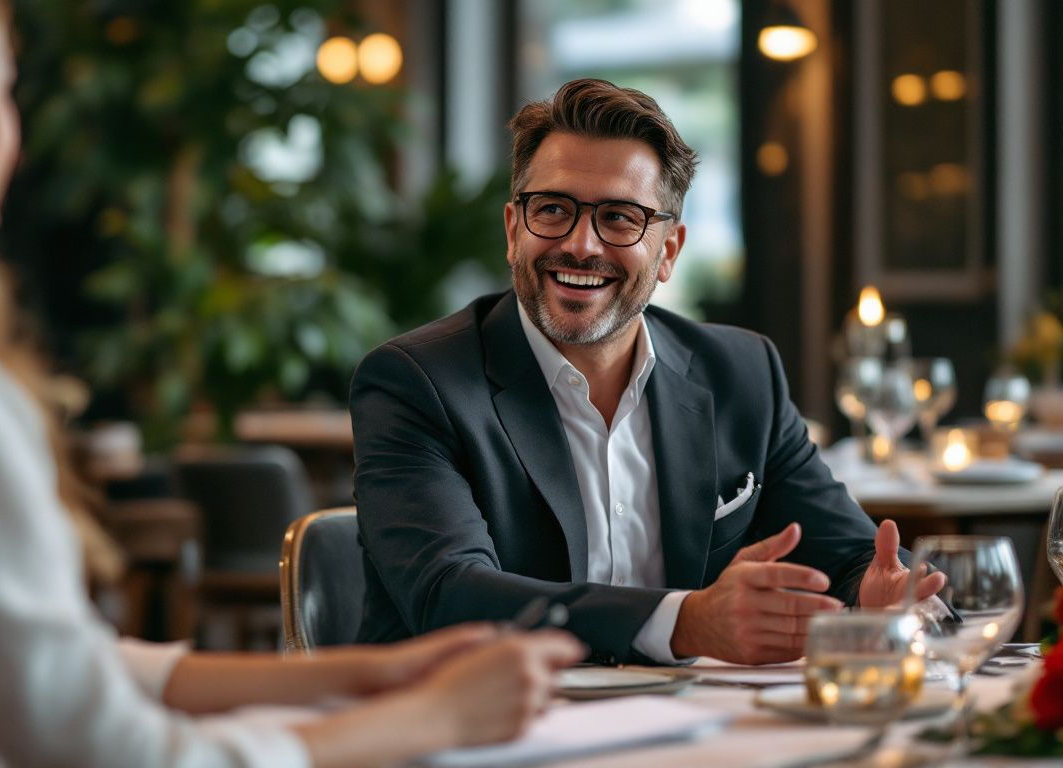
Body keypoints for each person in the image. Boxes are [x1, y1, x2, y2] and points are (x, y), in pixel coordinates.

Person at [0, 2, 585, 766]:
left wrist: (366, 672)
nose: (14, 136)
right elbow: (109, 752)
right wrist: (425, 720)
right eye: (7, 93)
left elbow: (51, 666)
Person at [350, 79, 943, 667]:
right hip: (468, 736)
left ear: (668, 252)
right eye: (553, 209)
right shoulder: (416, 383)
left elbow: (846, 556)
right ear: (513, 231)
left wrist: (878, 592)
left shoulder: (741, 373)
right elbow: (449, 594)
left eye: (619, 218)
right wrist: (687, 622)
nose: (581, 245)